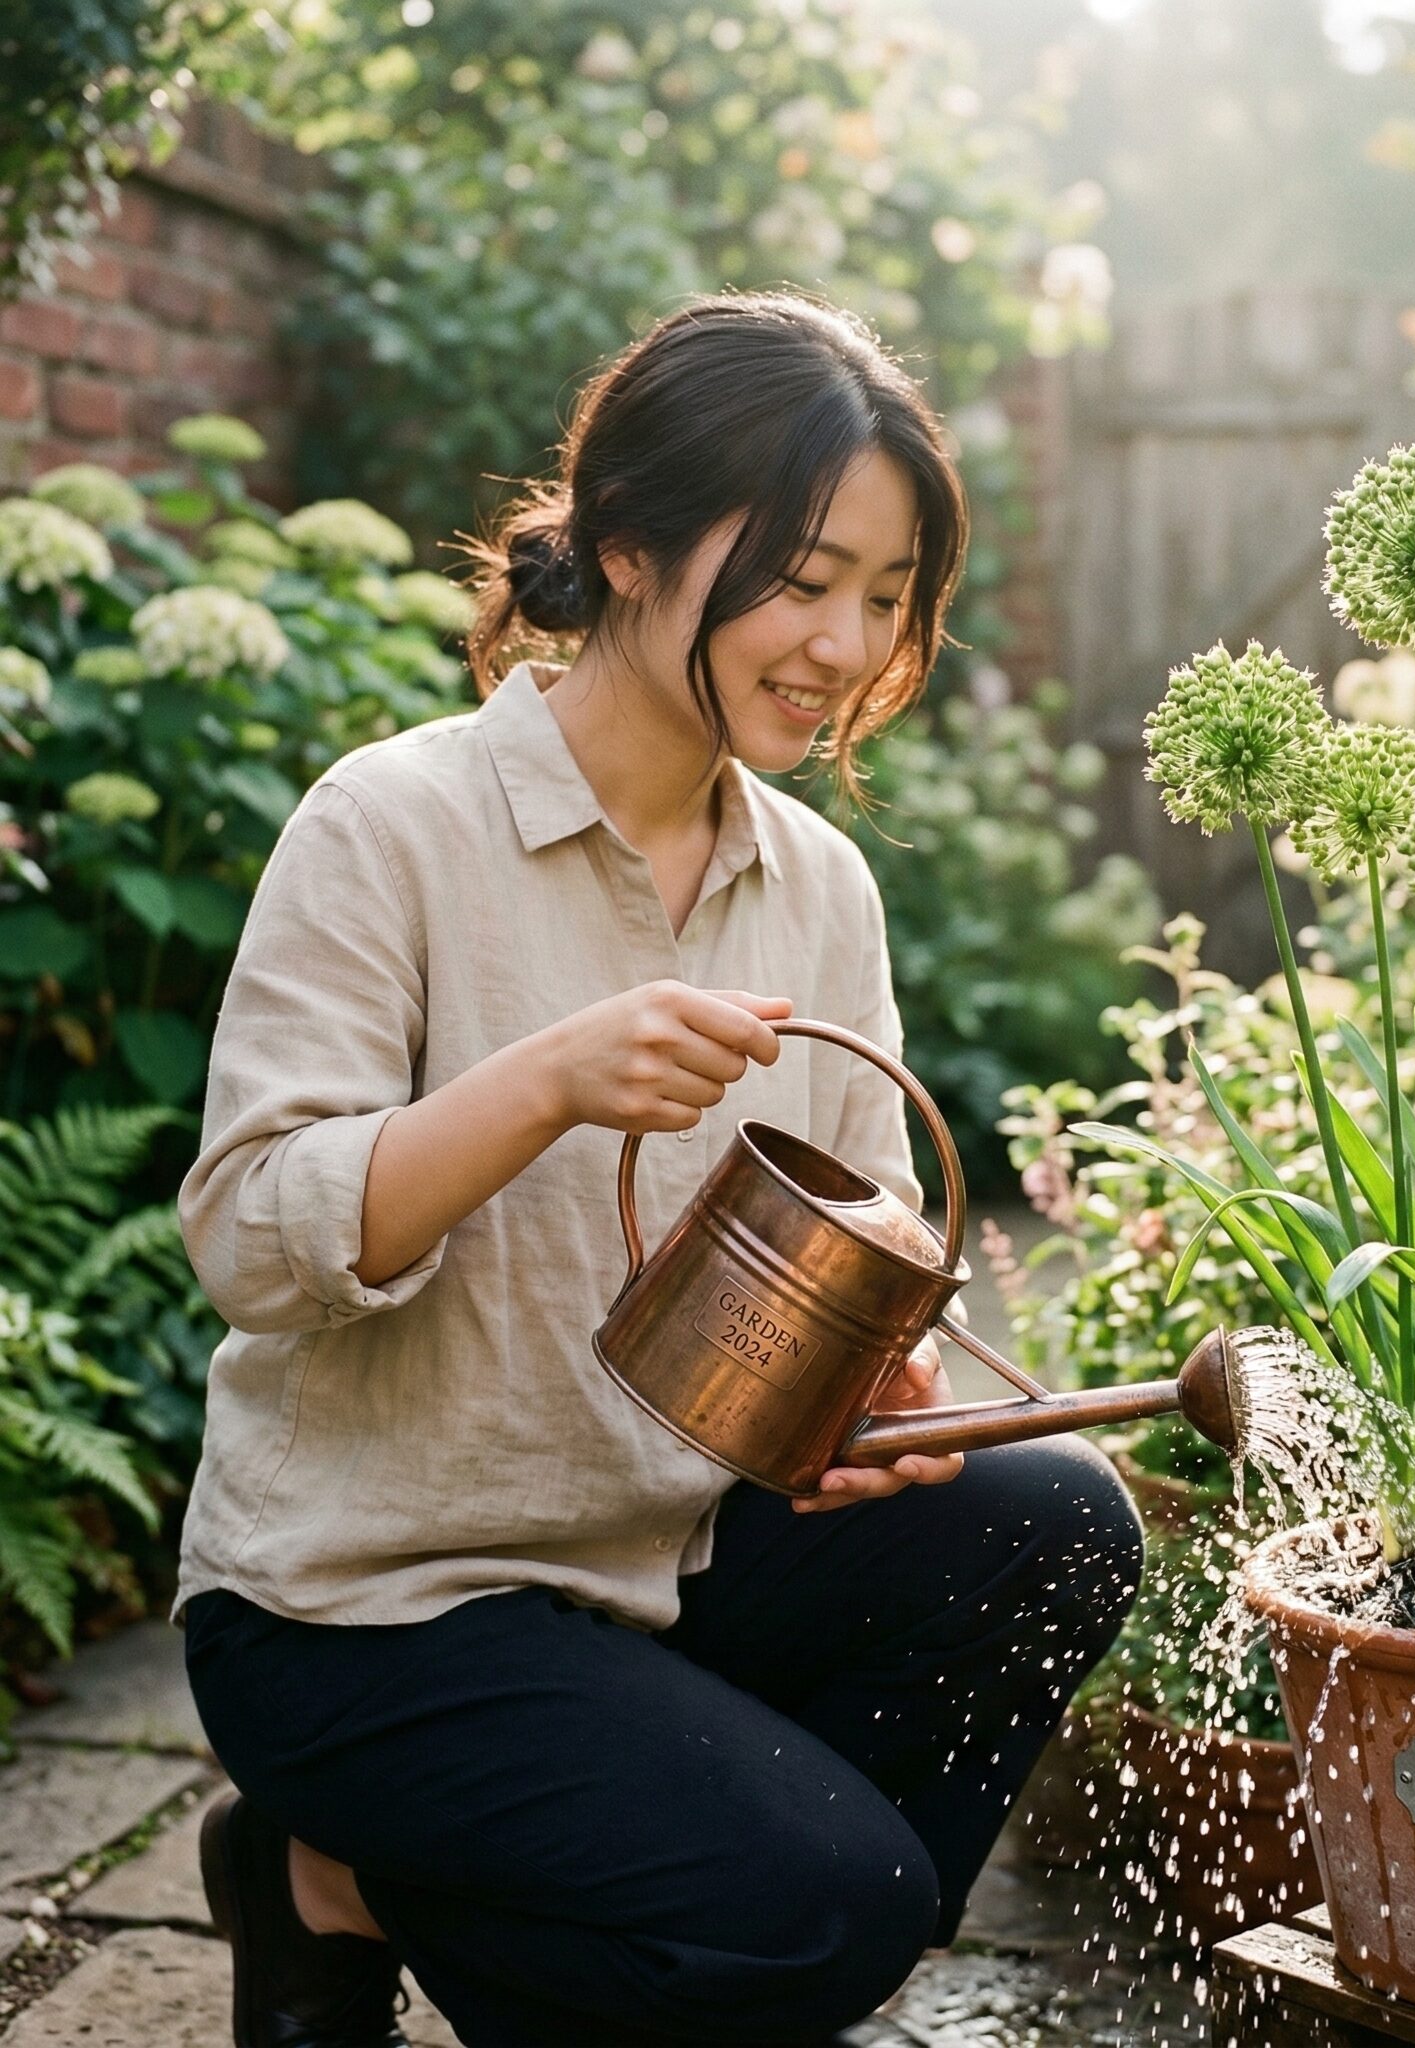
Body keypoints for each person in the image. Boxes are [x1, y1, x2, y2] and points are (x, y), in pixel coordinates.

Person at [177, 291, 1144, 2048]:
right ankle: (338, 1866)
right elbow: (249, 1238)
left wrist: (870, 1388)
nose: (845, 641)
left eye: (885, 593)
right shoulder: (391, 825)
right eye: (801, 575)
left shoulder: (816, 888)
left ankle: (466, 1898)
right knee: (824, 1911)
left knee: (1061, 1525)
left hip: (661, 1567)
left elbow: (866, 1219)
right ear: (625, 545)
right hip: (369, 1607)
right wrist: (544, 1084)